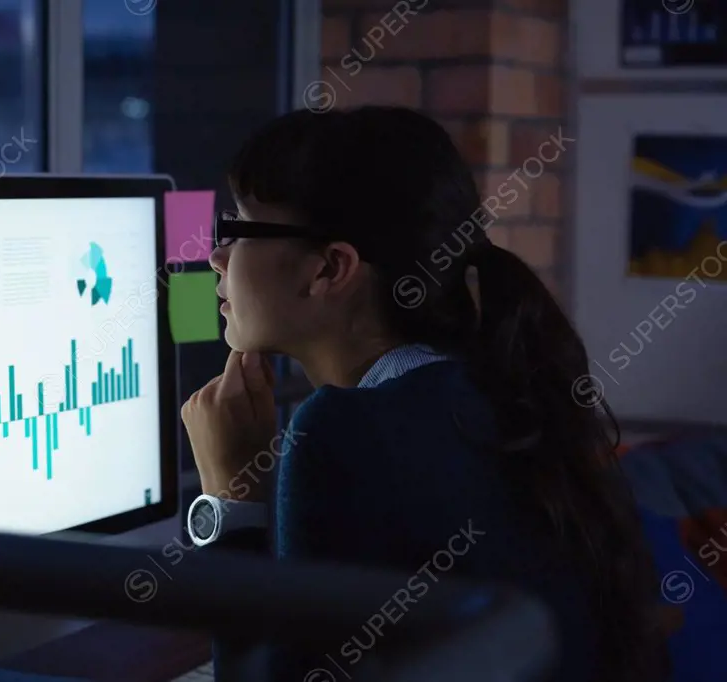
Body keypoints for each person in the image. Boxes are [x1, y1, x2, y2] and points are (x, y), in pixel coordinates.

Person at [180, 106, 669, 682]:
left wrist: (231, 501)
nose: (216, 257)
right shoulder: (487, 385)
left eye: (237, 229)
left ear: (329, 269)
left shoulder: (346, 429)